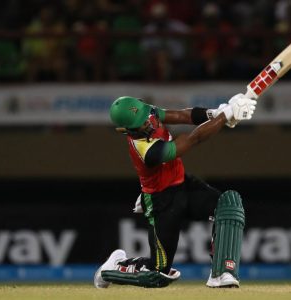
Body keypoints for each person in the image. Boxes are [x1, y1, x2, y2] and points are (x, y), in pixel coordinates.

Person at [93, 93, 257, 288]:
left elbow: (183, 116)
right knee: (158, 274)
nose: (148, 122)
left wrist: (214, 113)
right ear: (125, 130)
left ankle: (222, 273)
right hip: (161, 201)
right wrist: (224, 116)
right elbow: (193, 139)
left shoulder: (148, 113)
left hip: (183, 184)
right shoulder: (146, 150)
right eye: (141, 123)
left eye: (146, 116)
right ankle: (111, 269)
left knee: (228, 204)